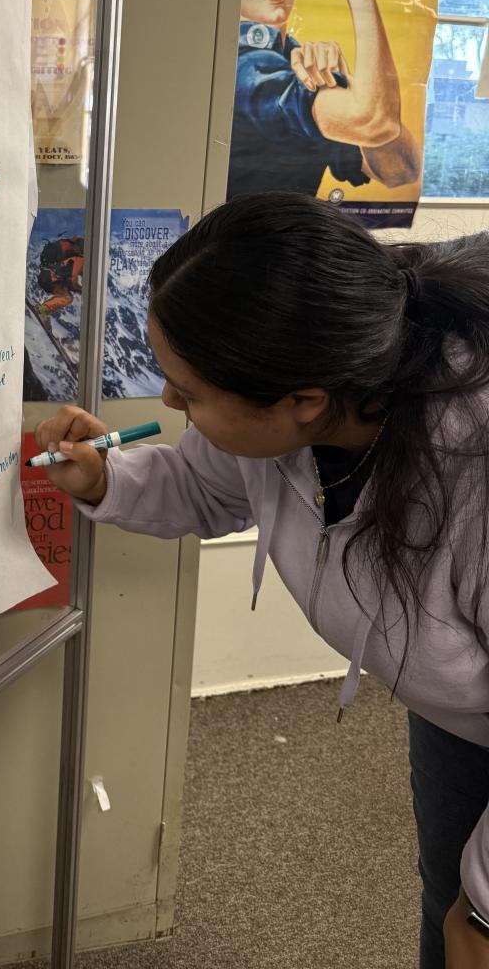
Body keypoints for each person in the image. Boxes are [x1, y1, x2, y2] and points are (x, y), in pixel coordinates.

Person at [34, 192, 489, 968]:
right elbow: (207, 485)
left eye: (190, 393)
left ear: (304, 402)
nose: (168, 401)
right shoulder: (309, 388)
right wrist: (104, 479)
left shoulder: (472, 467)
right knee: (446, 896)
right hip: (461, 710)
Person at [227, 0, 420, 199]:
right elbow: (375, 122)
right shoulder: (244, 65)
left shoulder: (292, 59)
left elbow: (401, 170)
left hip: (294, 231)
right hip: (244, 231)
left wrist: (349, 84)